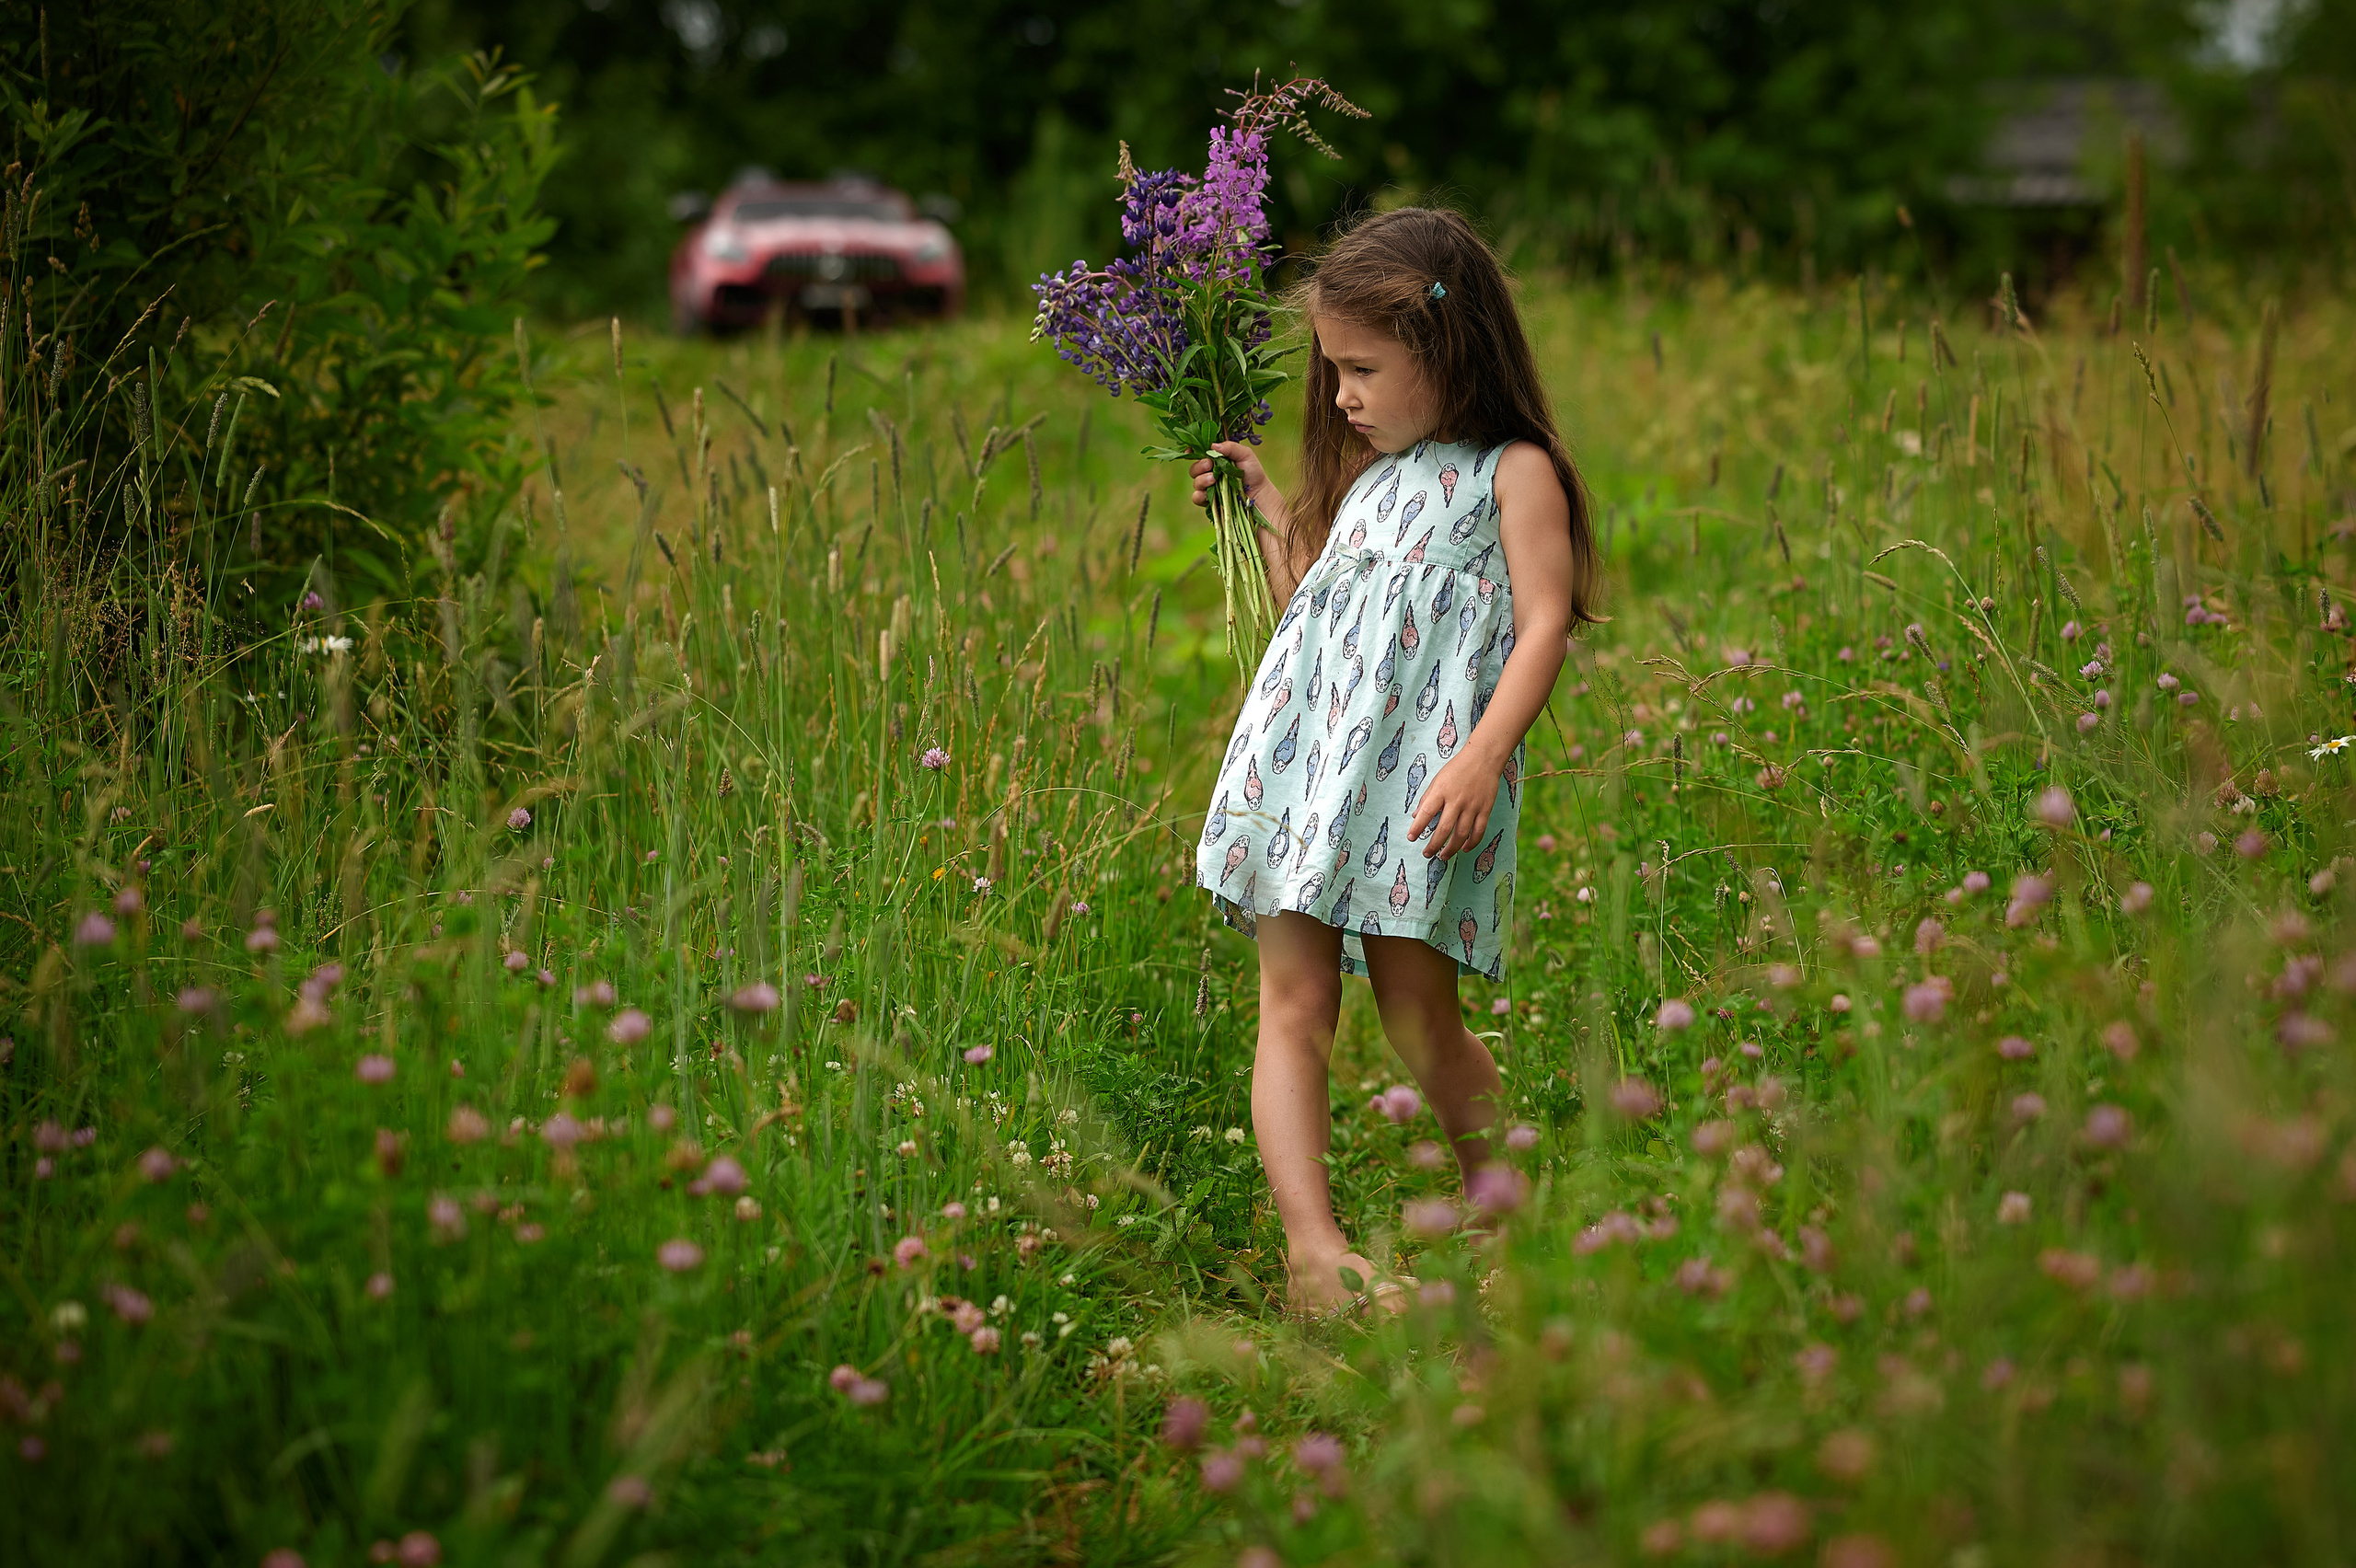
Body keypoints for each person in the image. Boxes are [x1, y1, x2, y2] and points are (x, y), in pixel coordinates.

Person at [1189, 206, 1601, 1316]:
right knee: (1293, 1001)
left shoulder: (1511, 475)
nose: (1341, 397)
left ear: (1447, 345)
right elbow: (1316, 613)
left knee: (1422, 1017)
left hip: (1421, 789)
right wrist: (1264, 504)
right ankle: (1312, 1253)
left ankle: (1508, 1218)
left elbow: (1545, 621)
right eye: (1332, 371)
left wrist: (1482, 757)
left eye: (1361, 369)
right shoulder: (1373, 481)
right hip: (1309, 779)